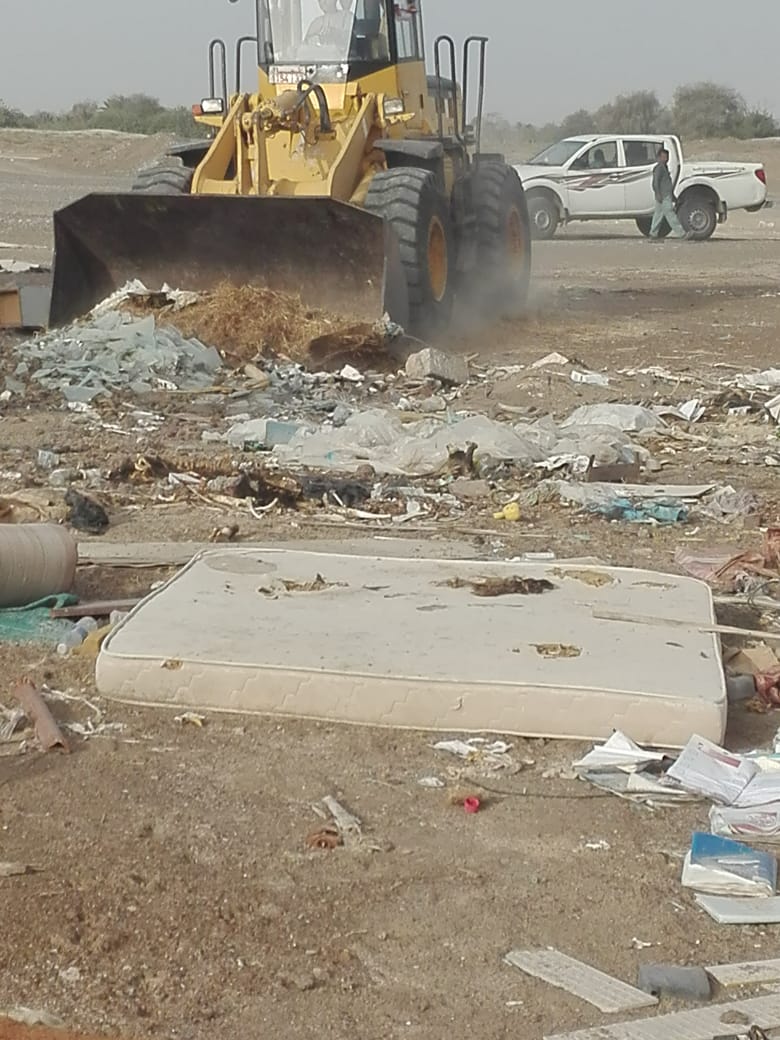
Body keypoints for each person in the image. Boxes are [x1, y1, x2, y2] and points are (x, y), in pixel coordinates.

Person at [649, 148, 691, 240]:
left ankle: (653, 234)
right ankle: (682, 234)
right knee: (670, 214)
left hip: (665, 195)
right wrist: (658, 194)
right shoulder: (659, 168)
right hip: (663, 195)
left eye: (666, 157)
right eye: (663, 157)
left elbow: (667, 184)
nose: (665, 159)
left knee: (658, 215)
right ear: (658, 157)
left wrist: (673, 197)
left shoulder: (664, 167)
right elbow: (655, 183)